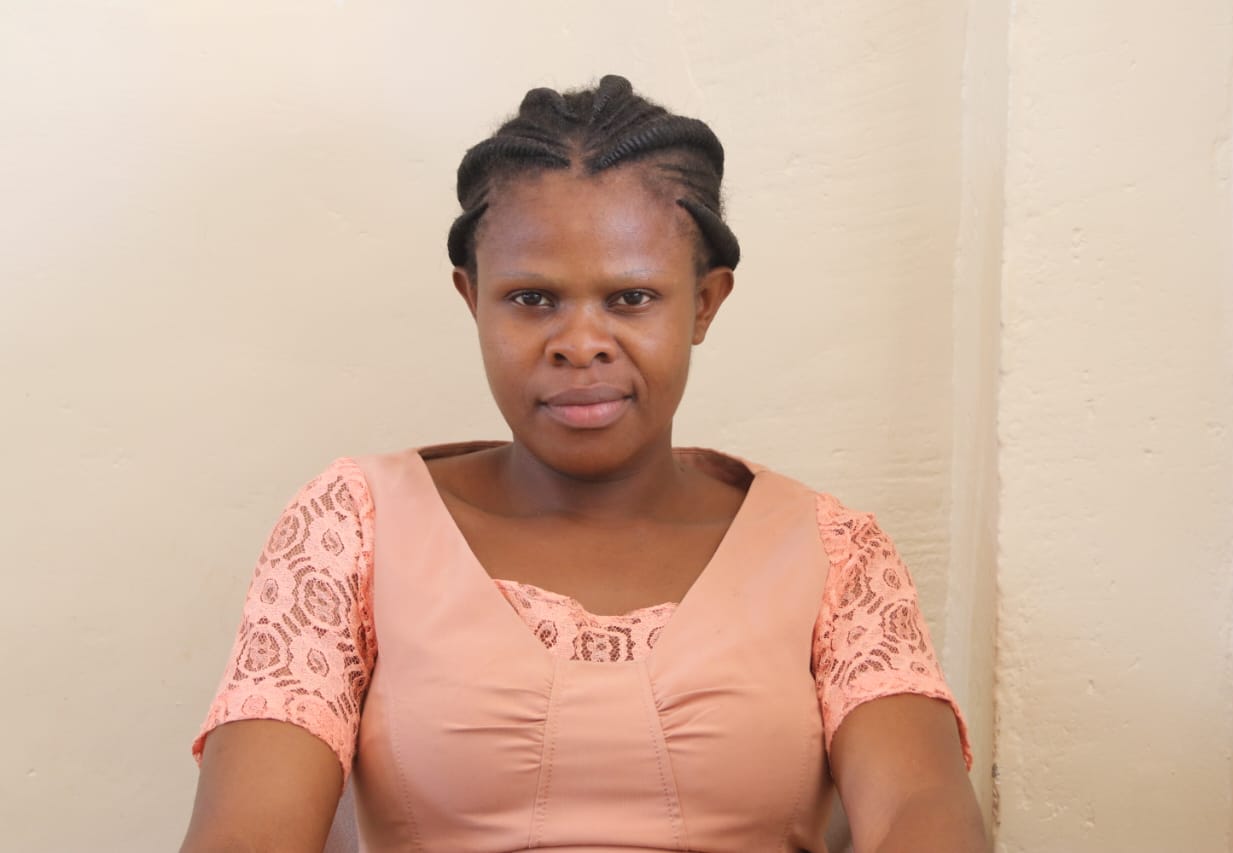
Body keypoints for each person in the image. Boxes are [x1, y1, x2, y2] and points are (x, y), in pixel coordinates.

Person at [180, 75, 985, 853]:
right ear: (472, 298)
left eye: (631, 298)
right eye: (532, 298)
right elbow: (246, 833)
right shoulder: (353, 526)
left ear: (705, 303)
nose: (580, 343)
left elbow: (918, 810)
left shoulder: (832, 553)